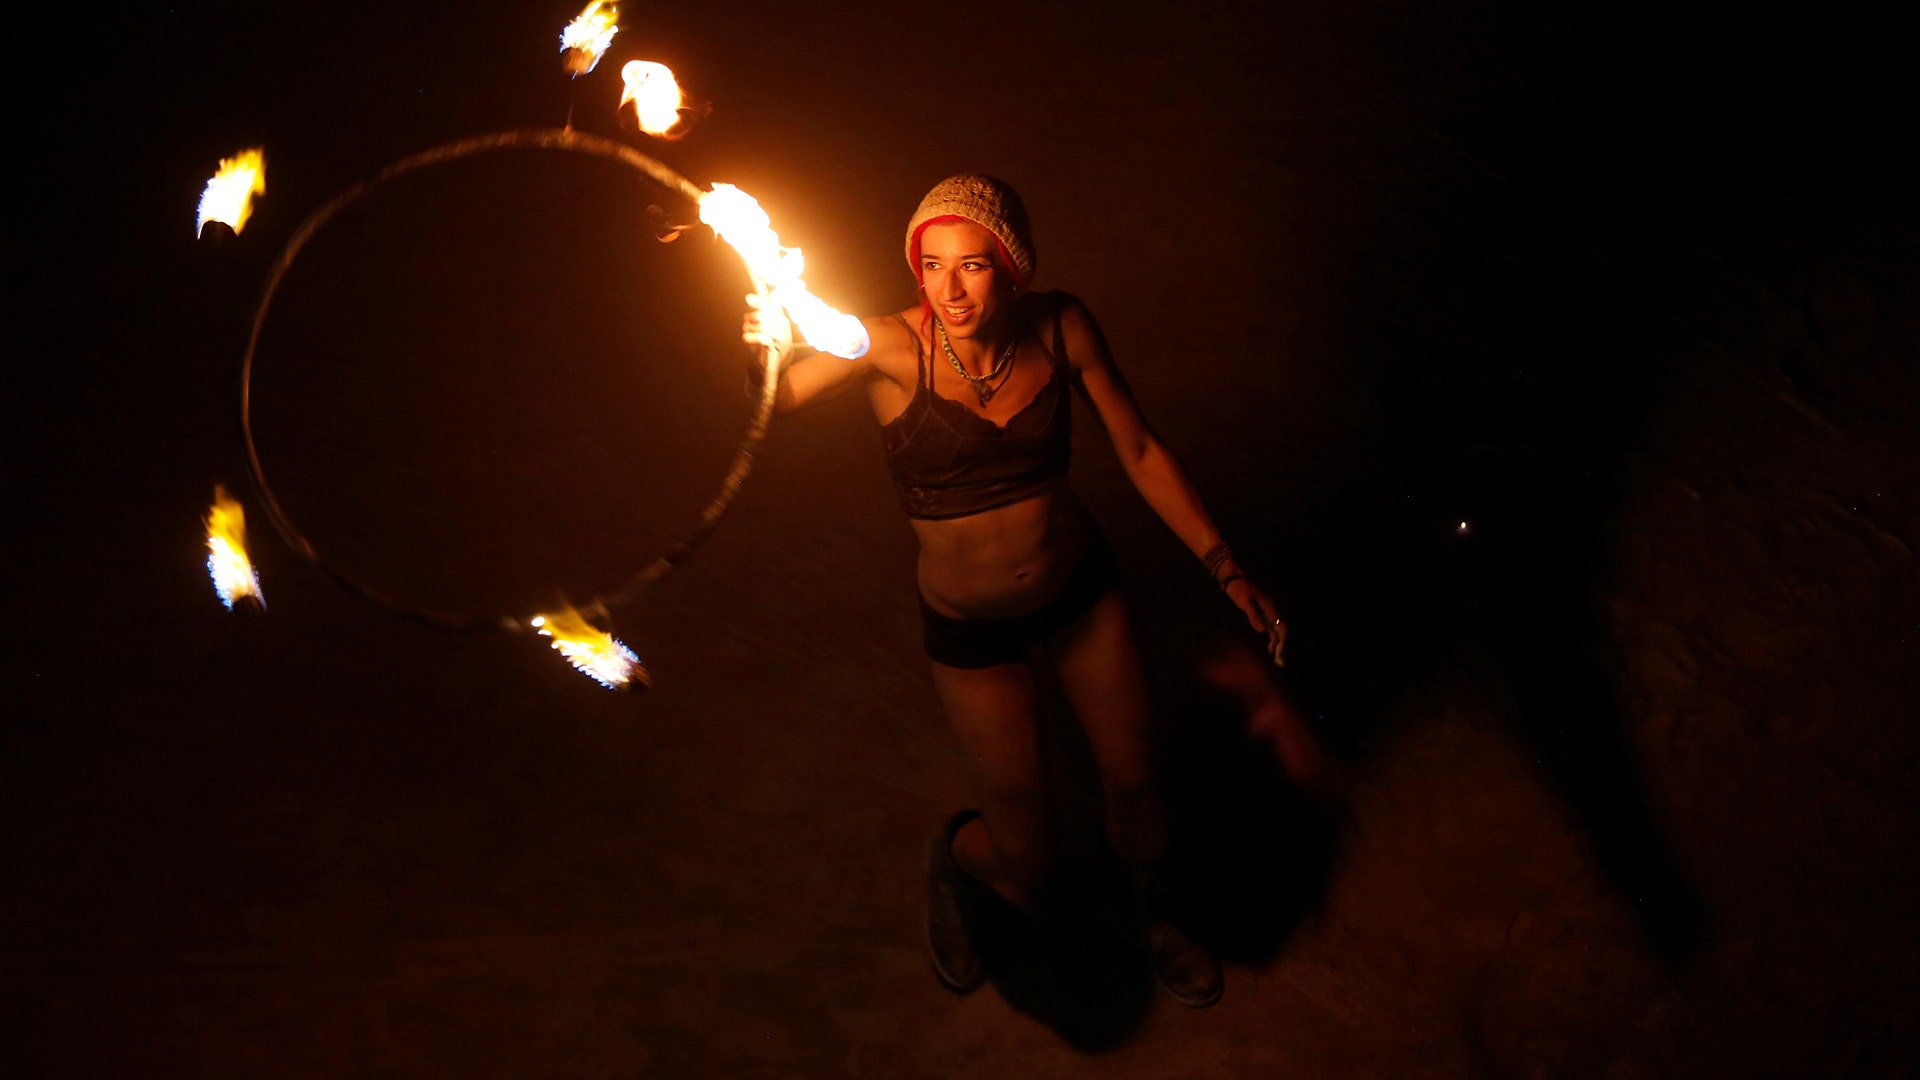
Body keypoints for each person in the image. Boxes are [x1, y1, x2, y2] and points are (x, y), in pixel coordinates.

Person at [742, 174, 1284, 1008]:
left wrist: (1226, 565)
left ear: (1012, 266)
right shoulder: (884, 347)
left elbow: (1140, 451)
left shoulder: (1062, 326)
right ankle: (959, 859)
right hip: (973, 630)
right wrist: (758, 344)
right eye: (932, 265)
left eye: (973, 264)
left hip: (1079, 597)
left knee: (1140, 787)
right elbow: (772, 404)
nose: (950, 289)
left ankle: (1156, 912)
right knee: (1029, 855)